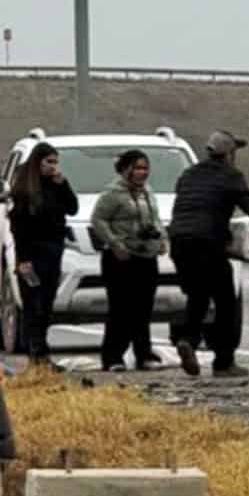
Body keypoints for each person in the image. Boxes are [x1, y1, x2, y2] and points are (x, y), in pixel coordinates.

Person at [166, 131, 249, 379]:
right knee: (226, 303)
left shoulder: (188, 174)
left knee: (198, 296)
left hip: (179, 243)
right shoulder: (231, 176)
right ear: (230, 155)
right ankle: (224, 363)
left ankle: (188, 340)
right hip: (207, 245)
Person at [89, 148, 166, 372]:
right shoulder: (112, 193)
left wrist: (161, 238)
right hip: (120, 259)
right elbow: (98, 220)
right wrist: (115, 243)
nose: (142, 173)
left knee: (143, 309)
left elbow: (156, 219)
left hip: (146, 257)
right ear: (126, 170)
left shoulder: (148, 192)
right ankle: (113, 357)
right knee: (121, 309)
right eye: (138, 168)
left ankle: (144, 354)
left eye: (145, 168)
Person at [6, 142, 78, 368]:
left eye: (56, 162)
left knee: (46, 304)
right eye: (49, 162)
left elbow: (72, 208)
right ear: (38, 163)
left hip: (52, 252)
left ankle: (42, 353)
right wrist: (23, 260)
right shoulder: (24, 191)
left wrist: (64, 184)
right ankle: (35, 354)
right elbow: (19, 228)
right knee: (33, 305)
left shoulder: (55, 186)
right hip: (32, 254)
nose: (53, 167)